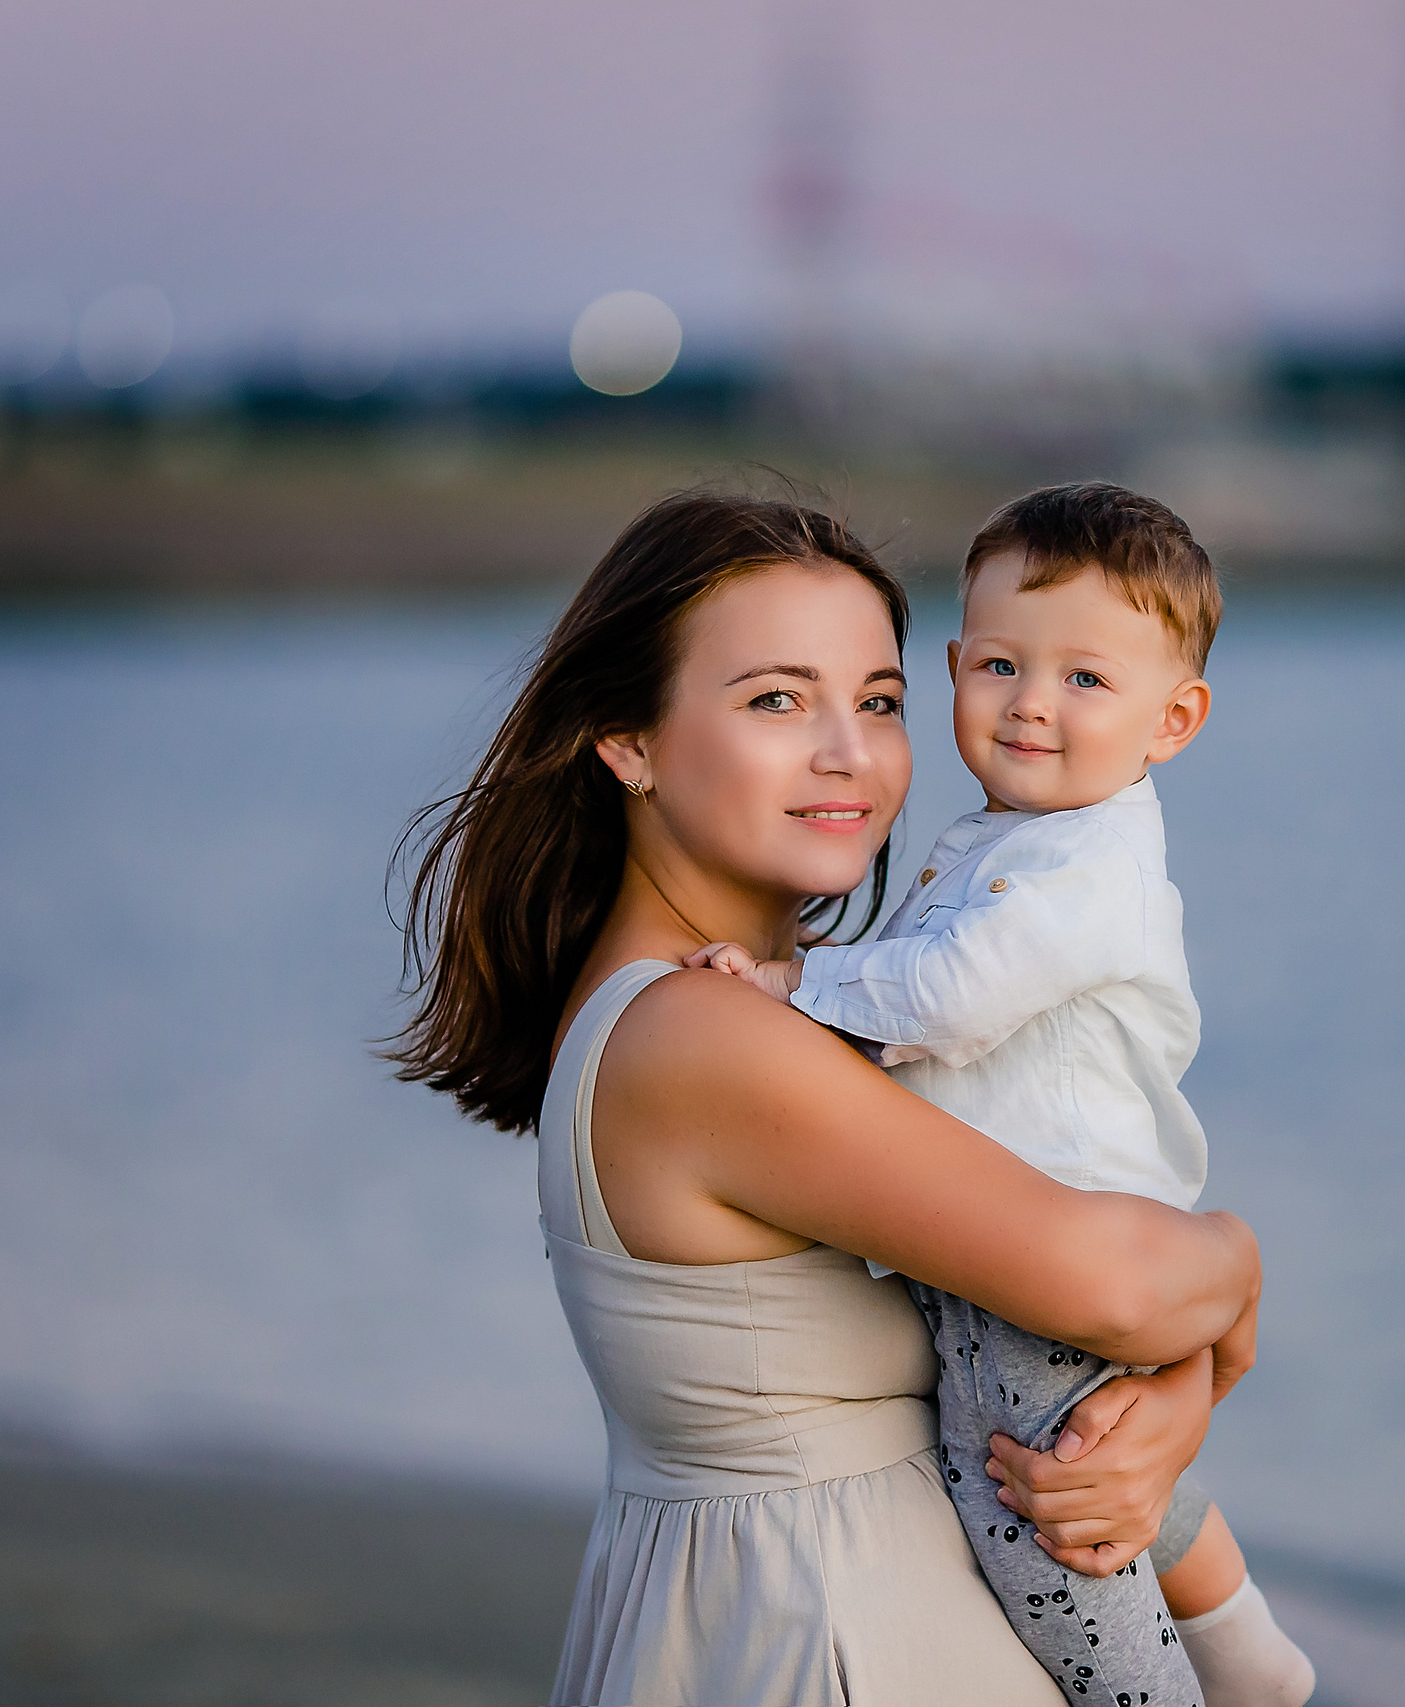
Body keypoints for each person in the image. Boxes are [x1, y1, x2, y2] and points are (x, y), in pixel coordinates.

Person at [388, 490, 1264, 1707]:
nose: (849, 752)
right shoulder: (706, 1032)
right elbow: (1110, 1285)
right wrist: (1233, 1261)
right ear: (626, 739)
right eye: (774, 700)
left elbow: (1038, 1307)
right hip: (837, 1637)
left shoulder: (729, 1013)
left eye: (880, 702)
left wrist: (1161, 1404)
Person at [689, 484, 1316, 1707]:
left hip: (1043, 1272)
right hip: (1042, 1250)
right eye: (1001, 665)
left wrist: (792, 979)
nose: (1032, 701)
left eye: (1086, 680)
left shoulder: (1087, 867)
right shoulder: (1018, 837)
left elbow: (950, 998)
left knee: (1044, 1539)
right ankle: (1251, 1655)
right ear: (954, 665)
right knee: (1110, 1473)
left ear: (1173, 720)